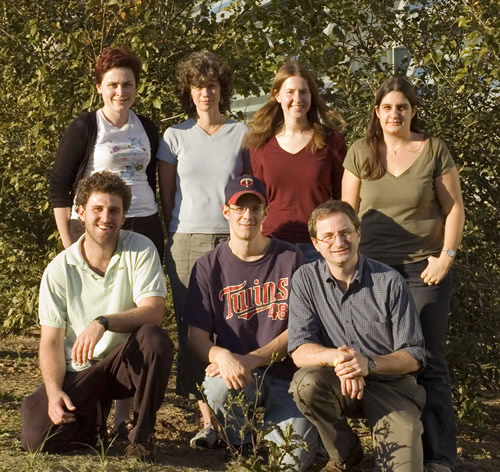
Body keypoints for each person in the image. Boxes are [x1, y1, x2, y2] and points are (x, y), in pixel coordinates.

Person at [342, 76, 465, 472]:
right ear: (376, 112)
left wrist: (445, 257)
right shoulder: (361, 152)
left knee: (428, 360)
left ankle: (440, 456)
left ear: (412, 111)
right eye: (388, 107)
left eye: (402, 107)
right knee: (378, 356)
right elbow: (347, 215)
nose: (394, 114)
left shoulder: (433, 151)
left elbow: (454, 210)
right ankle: (393, 449)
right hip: (372, 273)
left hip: (422, 272)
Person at [49, 46, 164, 435]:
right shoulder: (86, 128)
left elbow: (156, 181)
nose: (121, 91)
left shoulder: (146, 127)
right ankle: (95, 395)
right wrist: (69, 242)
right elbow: (60, 187)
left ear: (136, 87)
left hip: (144, 226)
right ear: (99, 87)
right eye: (113, 84)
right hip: (95, 226)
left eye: (128, 84)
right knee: (96, 314)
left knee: (134, 314)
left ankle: (123, 416)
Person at [20, 172, 173, 462]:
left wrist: (103, 322)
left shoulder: (141, 248)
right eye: (97, 209)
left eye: (114, 210)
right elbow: (50, 340)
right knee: (35, 436)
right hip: (80, 369)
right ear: (81, 213)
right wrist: (53, 391)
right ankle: (94, 422)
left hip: (124, 364)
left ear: (124, 215)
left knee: (154, 339)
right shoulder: (59, 269)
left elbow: (154, 311)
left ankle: (140, 438)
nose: (106, 217)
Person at [185, 175, 318, 471]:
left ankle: (296, 435)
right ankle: (240, 440)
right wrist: (222, 355)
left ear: (265, 212)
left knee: (288, 464)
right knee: (217, 386)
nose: (248, 216)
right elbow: (196, 337)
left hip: (287, 376)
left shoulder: (290, 257)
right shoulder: (208, 265)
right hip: (239, 377)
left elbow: (298, 330)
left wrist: (250, 359)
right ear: (226, 211)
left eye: (255, 208)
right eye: (239, 207)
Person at [288, 200, 426, 472]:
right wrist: (340, 359)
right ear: (316, 244)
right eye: (327, 236)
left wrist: (369, 363)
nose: (338, 242)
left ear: (358, 234)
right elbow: (299, 349)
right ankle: (346, 453)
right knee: (306, 383)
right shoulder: (305, 279)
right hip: (338, 380)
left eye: (345, 233)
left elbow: (414, 355)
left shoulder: (389, 281)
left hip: (391, 386)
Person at [158, 51, 250, 448]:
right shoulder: (173, 137)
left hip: (232, 240)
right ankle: (208, 421)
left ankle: (238, 419)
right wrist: (178, 231)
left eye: (212, 85)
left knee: (235, 327)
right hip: (187, 241)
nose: (205, 92)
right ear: (189, 92)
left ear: (222, 89)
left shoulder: (241, 132)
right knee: (195, 328)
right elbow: (167, 196)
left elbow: (250, 190)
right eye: (198, 86)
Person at [245, 61, 347, 262]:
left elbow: (342, 199)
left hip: (320, 246)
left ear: (312, 96)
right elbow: (257, 200)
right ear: (277, 96)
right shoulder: (260, 145)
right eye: (290, 91)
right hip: (273, 245)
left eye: (304, 92)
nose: (297, 98)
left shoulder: (332, 141)